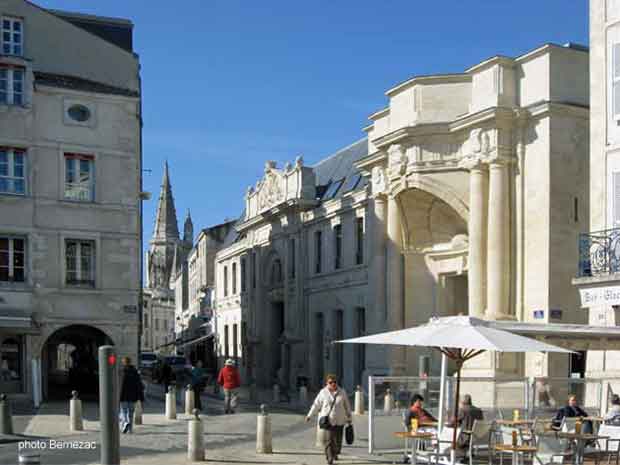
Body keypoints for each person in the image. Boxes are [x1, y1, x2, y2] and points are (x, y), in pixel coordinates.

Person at [306, 374, 352, 465]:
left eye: (334, 382)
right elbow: (316, 404)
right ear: (327, 383)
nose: (333, 384)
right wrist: (309, 415)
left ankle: (335, 452)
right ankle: (329, 457)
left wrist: (349, 417)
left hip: (340, 420)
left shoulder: (342, 392)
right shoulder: (323, 392)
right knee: (328, 440)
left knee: (338, 440)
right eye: (330, 382)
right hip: (328, 420)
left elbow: (347, 405)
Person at [119, 356, 144, 434]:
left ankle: (125, 423)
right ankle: (130, 429)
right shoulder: (135, 372)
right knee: (131, 412)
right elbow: (139, 385)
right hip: (133, 396)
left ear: (124, 362)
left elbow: (119, 384)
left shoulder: (122, 372)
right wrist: (140, 396)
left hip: (123, 395)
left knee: (123, 411)